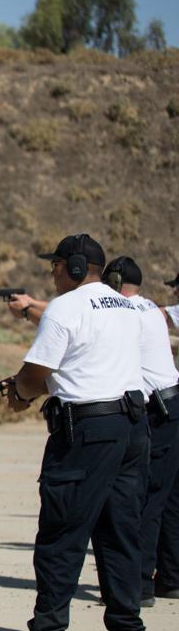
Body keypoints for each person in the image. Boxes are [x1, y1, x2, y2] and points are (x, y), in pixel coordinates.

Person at [0, 233, 148, 631]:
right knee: (119, 533)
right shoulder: (125, 305)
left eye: (56, 265)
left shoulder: (65, 307)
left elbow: (37, 372)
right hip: (131, 426)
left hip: (88, 430)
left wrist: (21, 394)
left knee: (62, 533)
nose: (53, 273)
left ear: (75, 267)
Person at [100, 258, 179, 605]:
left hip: (160, 411)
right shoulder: (148, 309)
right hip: (172, 404)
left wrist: (32, 309)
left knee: (145, 498)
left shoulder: (126, 311)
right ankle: (170, 577)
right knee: (170, 499)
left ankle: (140, 583)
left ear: (115, 283)